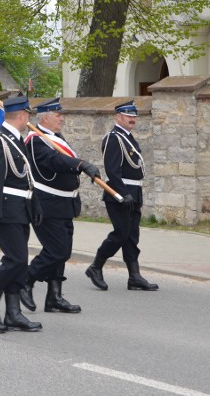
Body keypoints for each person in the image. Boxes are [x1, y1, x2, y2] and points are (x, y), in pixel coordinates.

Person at [21, 97, 101, 314]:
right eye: (58, 115)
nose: (62, 119)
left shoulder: (53, 137)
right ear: (45, 117)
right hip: (47, 204)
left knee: (61, 251)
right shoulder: (36, 141)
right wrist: (81, 164)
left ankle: (54, 297)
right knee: (58, 250)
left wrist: (79, 165)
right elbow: (53, 161)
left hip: (64, 203)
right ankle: (26, 280)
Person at [0, 96, 42, 333]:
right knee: (15, 260)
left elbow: (25, 178)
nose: (28, 120)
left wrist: (34, 206)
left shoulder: (16, 141)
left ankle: (13, 313)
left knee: (20, 262)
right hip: (6, 210)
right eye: (28, 115)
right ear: (22, 115)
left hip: (20, 209)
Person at [86, 100, 159, 292]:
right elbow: (112, 170)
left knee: (132, 235)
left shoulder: (128, 138)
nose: (132, 119)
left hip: (134, 191)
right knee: (121, 233)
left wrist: (132, 193)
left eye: (134, 116)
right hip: (118, 194)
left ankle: (134, 276)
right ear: (118, 117)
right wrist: (124, 193)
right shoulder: (114, 138)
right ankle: (95, 266)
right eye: (128, 116)